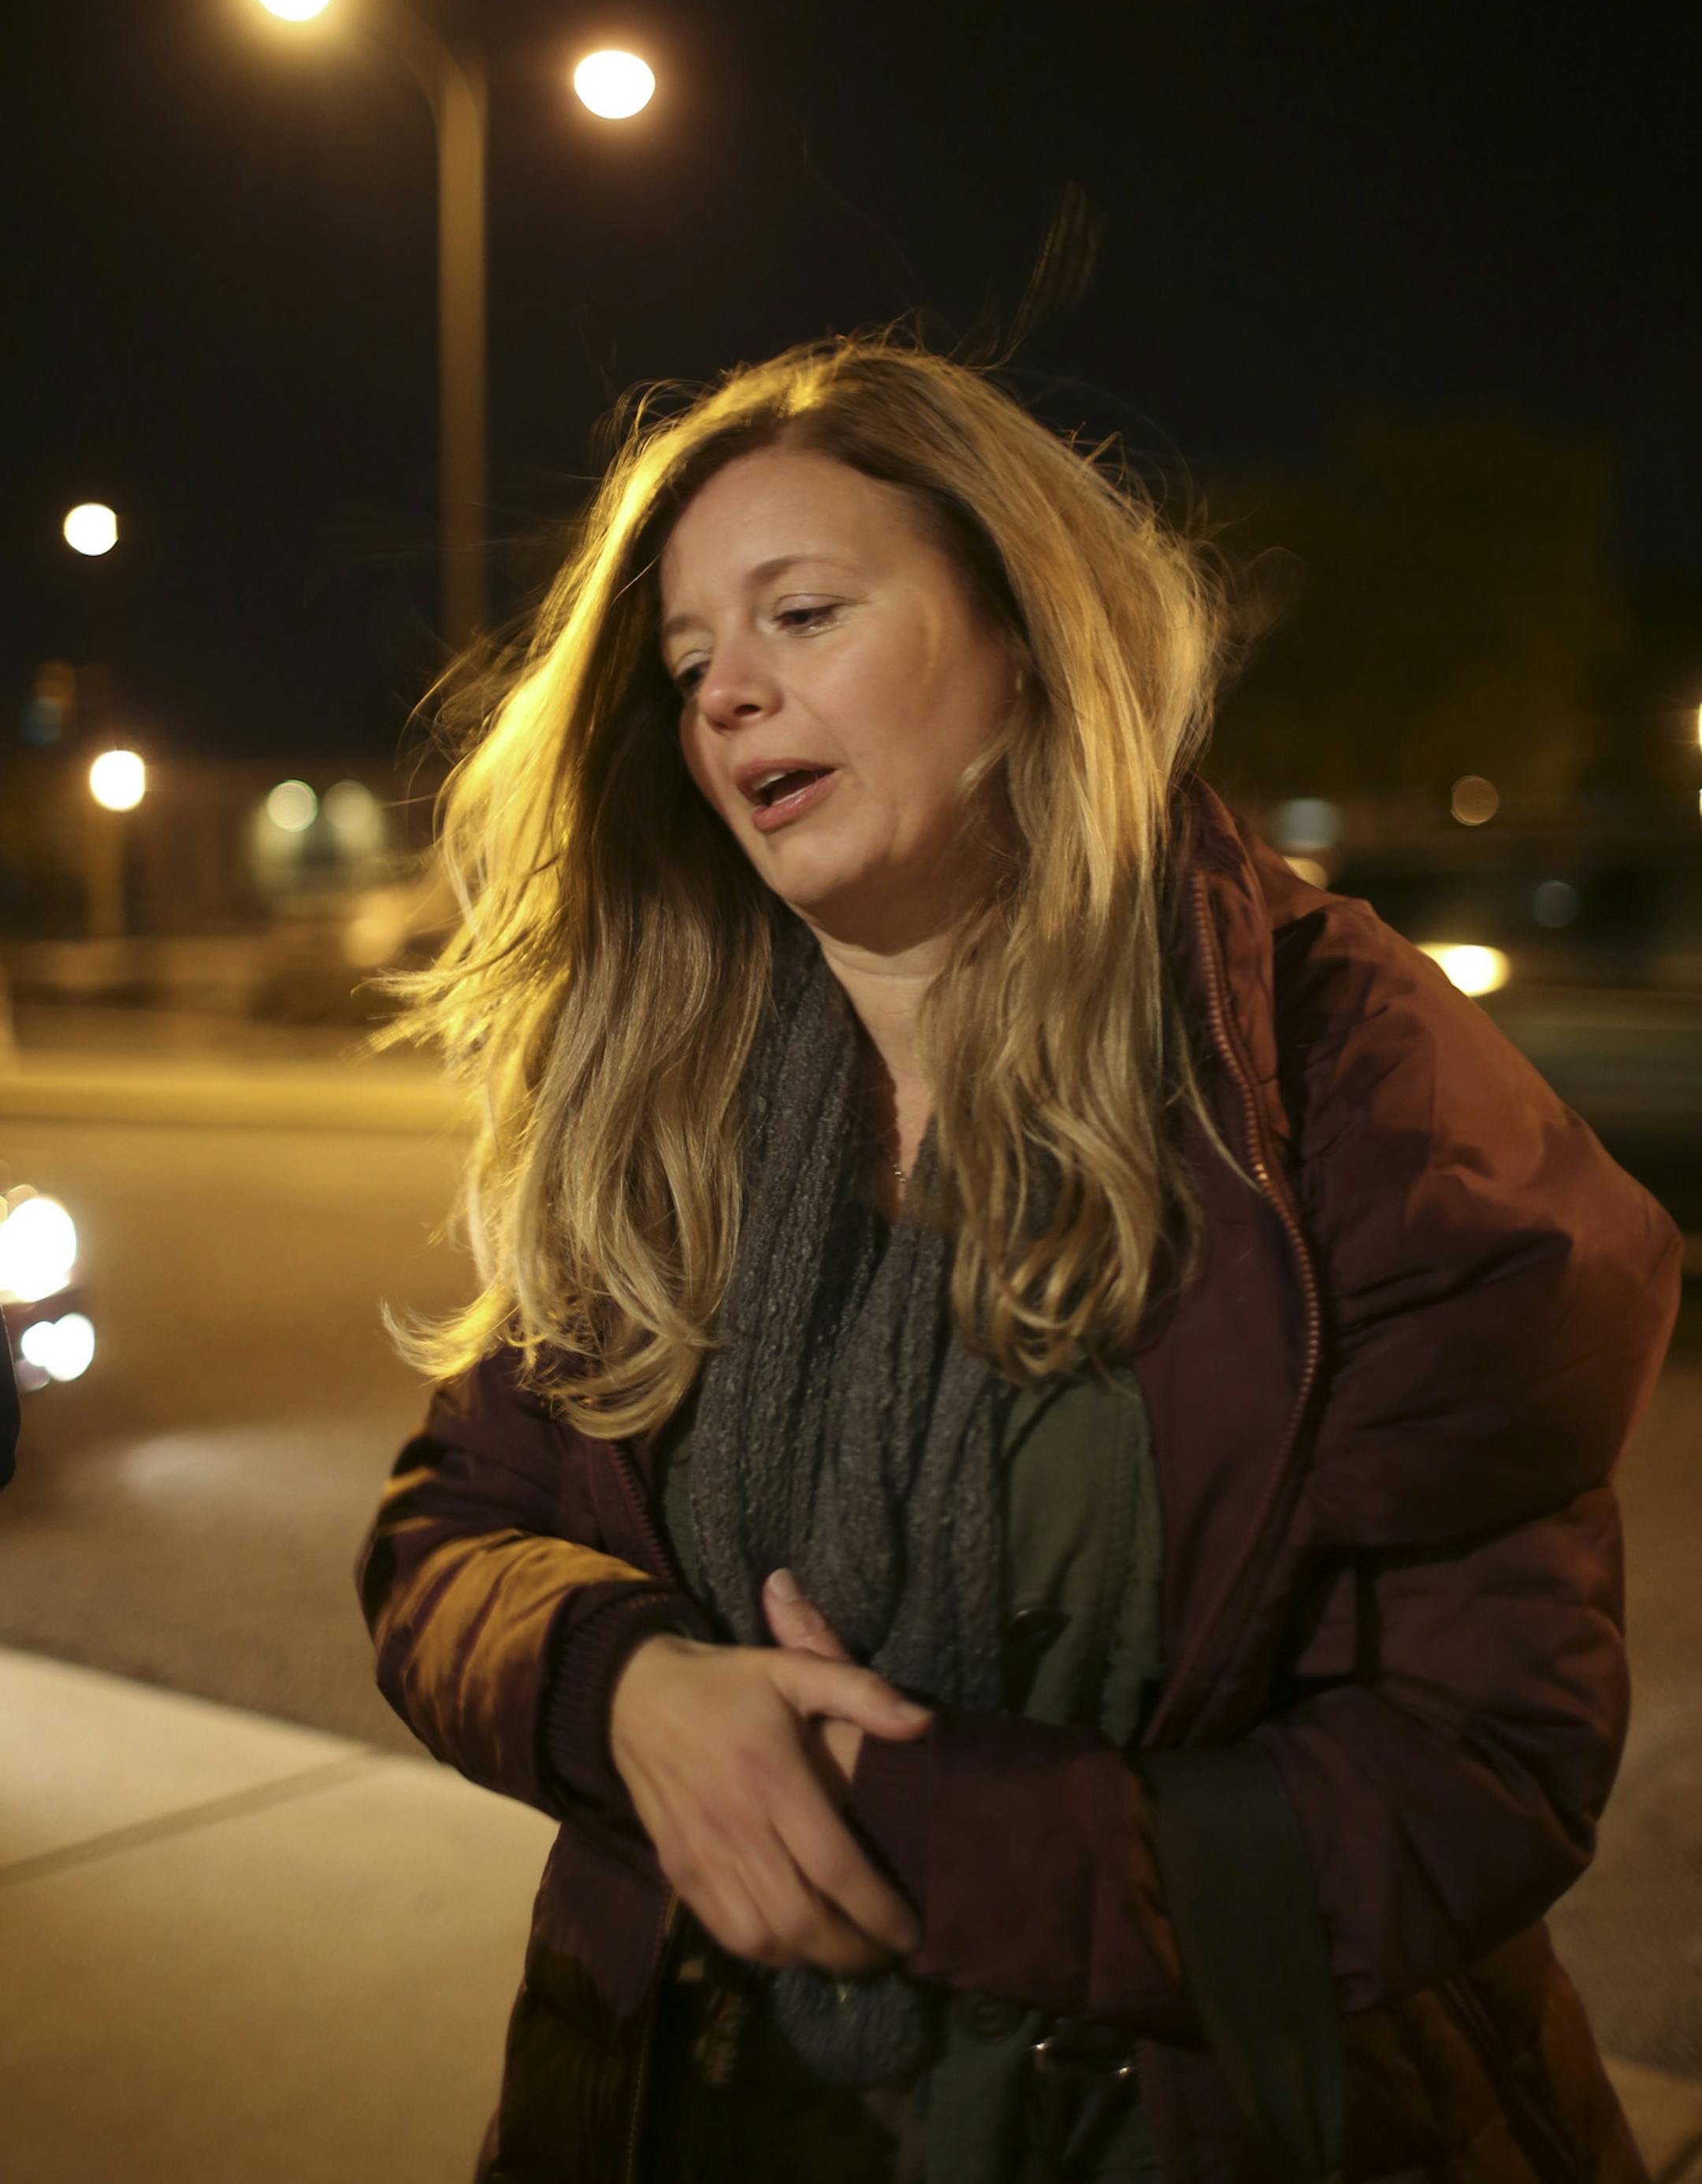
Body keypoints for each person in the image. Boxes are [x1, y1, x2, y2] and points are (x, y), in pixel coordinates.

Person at [357, 333, 1682, 2184]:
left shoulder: (1330, 1072)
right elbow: (447, 1537)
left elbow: (1479, 1766)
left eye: (802, 614)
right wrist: (624, 1691)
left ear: (1027, 638)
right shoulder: (662, 1095)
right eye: (686, 660)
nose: (728, 691)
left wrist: (886, 1819)